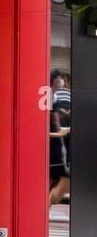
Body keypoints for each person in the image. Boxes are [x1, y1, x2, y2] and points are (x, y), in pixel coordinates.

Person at [49, 69, 71, 212]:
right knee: (59, 176)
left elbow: (60, 114)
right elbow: (55, 121)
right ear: (54, 79)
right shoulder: (51, 95)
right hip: (53, 141)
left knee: (57, 177)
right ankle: (45, 204)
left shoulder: (53, 95)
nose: (62, 81)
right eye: (60, 78)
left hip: (54, 139)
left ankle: (45, 204)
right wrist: (61, 131)